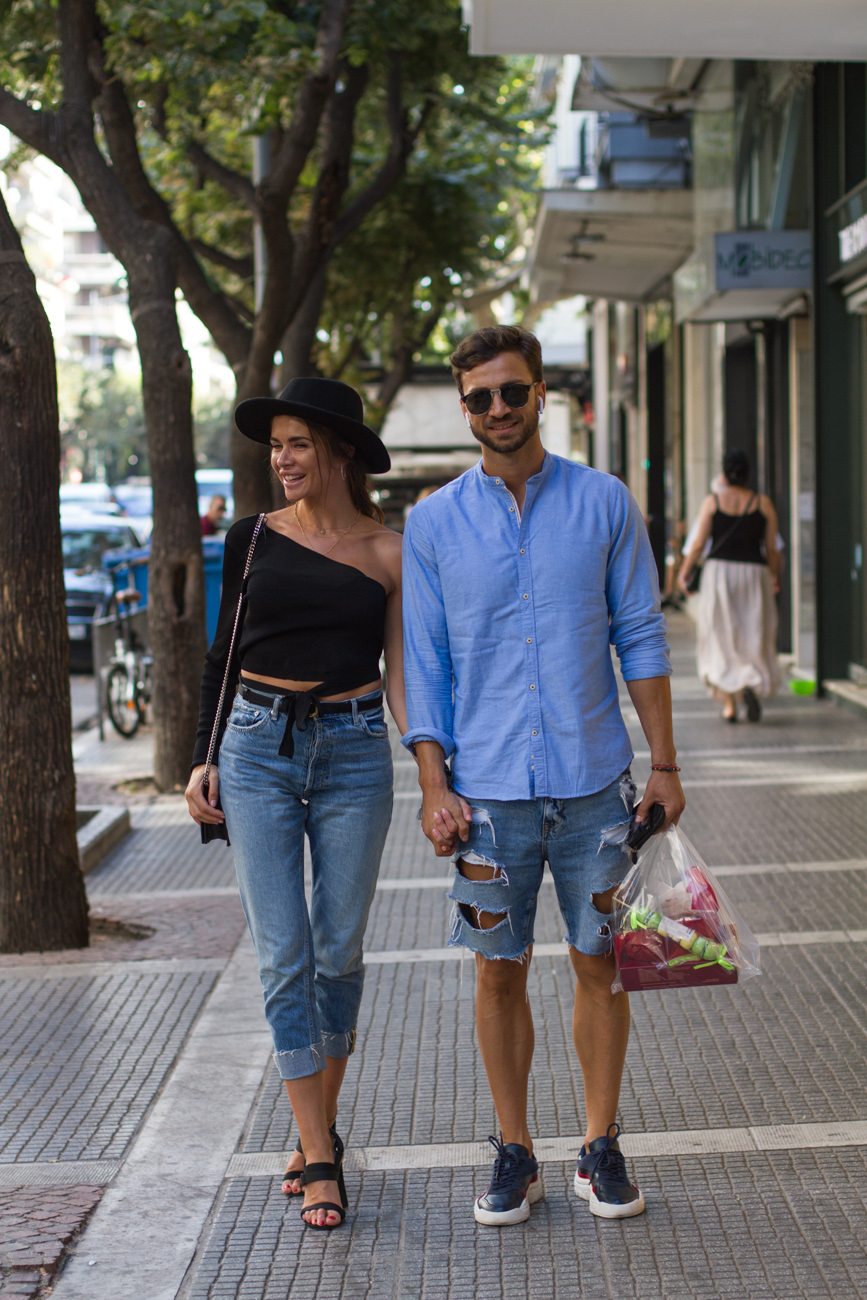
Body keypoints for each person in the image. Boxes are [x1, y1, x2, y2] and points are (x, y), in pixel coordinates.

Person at [401, 325, 684, 1227]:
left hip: (596, 785)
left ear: (539, 395)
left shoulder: (604, 503)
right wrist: (433, 784)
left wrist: (664, 764)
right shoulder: (433, 523)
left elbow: (640, 634)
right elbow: (424, 663)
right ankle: (514, 1151)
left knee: (601, 965)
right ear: (464, 407)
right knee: (497, 973)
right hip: (486, 796)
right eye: (480, 397)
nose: (497, 408)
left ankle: (598, 1146)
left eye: (511, 391)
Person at [185, 377, 406, 1232]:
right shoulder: (250, 539)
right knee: (283, 956)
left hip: (355, 748)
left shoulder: (389, 552)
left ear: (340, 452)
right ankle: (318, 1150)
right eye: (275, 444)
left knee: (337, 952)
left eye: (298, 443)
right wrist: (201, 758)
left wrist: (437, 773)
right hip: (255, 748)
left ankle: (318, 1122)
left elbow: (403, 677)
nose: (281, 458)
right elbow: (222, 655)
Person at [677, 449, 780, 723]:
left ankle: (730, 704)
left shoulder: (712, 502)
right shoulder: (763, 503)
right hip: (755, 574)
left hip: (719, 574)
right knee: (753, 631)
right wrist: (775, 576)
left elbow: (698, 544)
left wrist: (684, 574)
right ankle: (750, 681)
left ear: (724, 474)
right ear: (748, 474)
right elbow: (772, 548)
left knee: (720, 635)